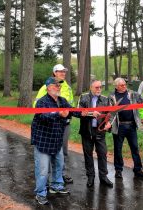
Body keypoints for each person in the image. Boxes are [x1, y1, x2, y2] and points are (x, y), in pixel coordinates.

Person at [31, 77, 86, 205]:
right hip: (43, 142)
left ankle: (56, 186)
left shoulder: (62, 100)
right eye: (56, 85)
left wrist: (83, 113)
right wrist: (58, 114)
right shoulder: (42, 102)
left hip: (57, 140)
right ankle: (40, 193)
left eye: (59, 85)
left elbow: (71, 111)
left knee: (59, 165)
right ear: (48, 87)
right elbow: (42, 116)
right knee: (43, 170)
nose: (58, 87)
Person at [34, 64, 74, 184]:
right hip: (50, 125)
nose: (63, 73)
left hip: (65, 124)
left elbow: (70, 106)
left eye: (64, 71)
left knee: (62, 151)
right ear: (54, 73)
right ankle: (46, 176)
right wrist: (55, 114)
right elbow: (37, 108)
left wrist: (86, 113)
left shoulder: (67, 87)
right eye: (60, 71)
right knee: (47, 153)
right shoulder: (45, 87)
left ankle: (60, 175)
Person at [109, 78, 143, 180]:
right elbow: (109, 112)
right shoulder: (112, 96)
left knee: (135, 148)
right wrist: (109, 123)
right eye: (121, 85)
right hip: (119, 126)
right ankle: (118, 170)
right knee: (118, 149)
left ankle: (138, 170)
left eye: (125, 84)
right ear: (116, 86)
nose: (124, 86)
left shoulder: (132, 94)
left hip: (131, 126)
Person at [78, 80, 113, 188]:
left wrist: (109, 123)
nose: (99, 89)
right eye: (96, 87)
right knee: (88, 155)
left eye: (100, 87)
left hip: (100, 131)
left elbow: (110, 114)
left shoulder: (105, 99)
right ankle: (90, 177)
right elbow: (78, 112)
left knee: (102, 154)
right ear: (91, 87)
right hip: (87, 131)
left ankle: (103, 177)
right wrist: (90, 113)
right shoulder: (83, 97)